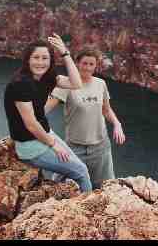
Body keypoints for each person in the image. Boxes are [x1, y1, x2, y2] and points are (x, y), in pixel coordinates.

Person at [4, 34, 92, 192]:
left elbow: (76, 83)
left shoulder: (47, 78)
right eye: (36, 57)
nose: (40, 62)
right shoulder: (20, 84)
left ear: (51, 61)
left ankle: (61, 198)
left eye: (45, 58)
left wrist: (65, 53)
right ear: (28, 60)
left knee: (74, 167)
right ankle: (89, 210)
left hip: (45, 135)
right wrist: (53, 145)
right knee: (81, 172)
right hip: (30, 145)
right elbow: (30, 124)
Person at [45, 47, 126, 189]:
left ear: (95, 66)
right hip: (75, 148)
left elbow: (106, 110)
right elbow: (45, 109)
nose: (87, 68)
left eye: (91, 64)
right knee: (56, 185)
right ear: (77, 64)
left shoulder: (100, 84)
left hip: (100, 147)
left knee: (105, 188)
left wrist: (117, 124)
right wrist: (28, 119)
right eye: (84, 63)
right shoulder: (67, 84)